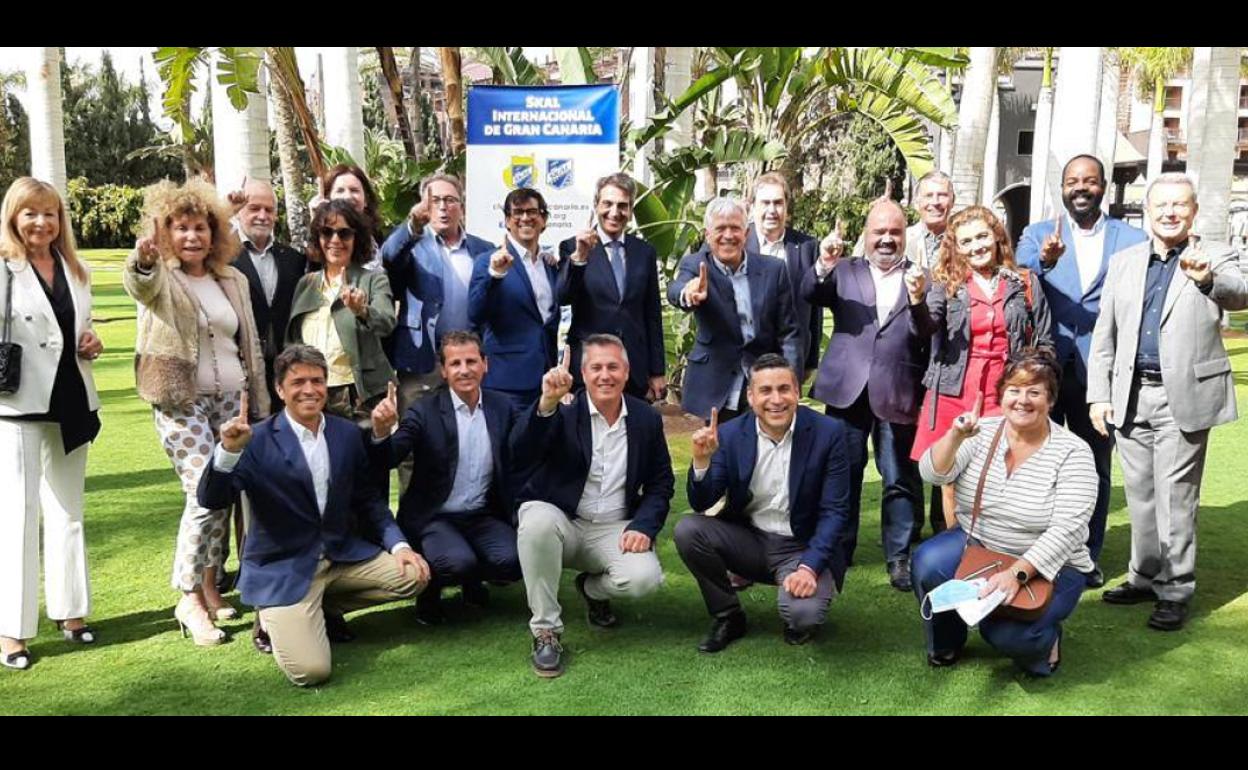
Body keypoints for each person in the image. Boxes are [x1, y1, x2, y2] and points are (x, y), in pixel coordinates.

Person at [197, 345, 429, 687]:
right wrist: (228, 452)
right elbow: (212, 499)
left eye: (317, 381)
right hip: (284, 569)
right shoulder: (255, 440)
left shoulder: (346, 433)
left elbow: (369, 500)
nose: (309, 389)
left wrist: (401, 547)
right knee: (312, 672)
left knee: (414, 576)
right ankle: (269, 617)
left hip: (339, 556)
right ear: (280, 389)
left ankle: (321, 609)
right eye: (298, 382)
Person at [1088, 172, 1248, 631]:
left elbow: (1240, 293)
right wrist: (1099, 395)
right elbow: (1105, 335)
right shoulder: (1124, 262)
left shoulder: (1215, 255)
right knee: (1141, 495)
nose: (1170, 212)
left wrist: (1207, 280)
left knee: (1176, 498)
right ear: (1148, 211)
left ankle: (1175, 589)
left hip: (1185, 396)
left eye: (1179, 204)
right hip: (1131, 395)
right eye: (1161, 204)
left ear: (1193, 212)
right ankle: (1143, 576)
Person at [123, 178, 269, 646]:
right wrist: (144, 260)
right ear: (166, 233)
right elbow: (139, 281)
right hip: (181, 399)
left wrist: (257, 398)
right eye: (181, 228)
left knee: (222, 496)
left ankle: (209, 588)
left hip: (232, 399)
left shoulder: (232, 279)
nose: (191, 236)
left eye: (200, 227)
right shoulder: (162, 277)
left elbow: (248, 343)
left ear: (215, 233)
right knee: (203, 493)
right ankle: (188, 596)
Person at [912, 349, 1096, 677]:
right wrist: (955, 436)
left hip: (1051, 564)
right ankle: (947, 642)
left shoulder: (1074, 452)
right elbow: (933, 474)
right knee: (928, 562)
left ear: (1051, 400)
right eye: (1014, 390)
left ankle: (1044, 643)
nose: (1022, 400)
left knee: (1005, 634)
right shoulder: (980, 431)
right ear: (1001, 395)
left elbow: (1067, 529)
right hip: (979, 545)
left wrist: (1016, 574)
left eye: (1034, 392)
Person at [1015, 154, 1148, 588]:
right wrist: (1046, 261)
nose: (1081, 188)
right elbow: (1019, 276)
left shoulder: (1132, 239)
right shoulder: (1038, 234)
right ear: (1062, 188)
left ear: (1103, 187)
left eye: (1089, 181)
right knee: (1038, 462)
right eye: (1072, 181)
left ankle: (1085, 556)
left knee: (1094, 466)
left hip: (1101, 372)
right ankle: (1036, 551)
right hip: (1047, 369)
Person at [511, 334, 673, 678]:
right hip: (563, 522)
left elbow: (661, 483)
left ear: (626, 372)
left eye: (613, 367)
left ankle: (591, 589)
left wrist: (643, 526)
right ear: (583, 374)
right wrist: (546, 403)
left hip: (614, 528)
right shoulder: (563, 410)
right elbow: (521, 452)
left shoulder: (645, 419)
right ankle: (546, 631)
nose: (605, 375)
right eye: (596, 367)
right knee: (536, 522)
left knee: (644, 579)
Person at [674, 354, 851, 652]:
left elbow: (835, 512)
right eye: (766, 390)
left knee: (803, 615)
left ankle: (797, 605)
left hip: (801, 546)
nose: (776, 400)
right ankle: (728, 615)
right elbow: (701, 500)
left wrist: (809, 568)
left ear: (797, 391)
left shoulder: (829, 433)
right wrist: (702, 461)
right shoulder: (730, 434)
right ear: (751, 396)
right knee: (688, 531)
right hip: (750, 541)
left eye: (784, 389)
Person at [800, 200, 934, 590]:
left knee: (898, 477)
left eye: (895, 232)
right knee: (845, 474)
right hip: (847, 390)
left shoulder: (922, 278)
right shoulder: (844, 270)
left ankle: (899, 558)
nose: (887, 239)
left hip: (898, 388)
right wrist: (824, 263)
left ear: (905, 235)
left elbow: (927, 331)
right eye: (879, 232)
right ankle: (840, 549)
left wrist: (919, 300)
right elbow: (809, 291)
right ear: (866, 234)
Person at [0, 178, 102, 670]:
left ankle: (72, 613)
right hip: (16, 404)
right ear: (13, 217)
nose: (41, 222)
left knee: (68, 511)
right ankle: (12, 631)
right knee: (17, 518)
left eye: (50, 214)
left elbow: (82, 326)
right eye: (30, 213)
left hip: (72, 401)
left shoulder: (75, 270)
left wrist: (92, 340)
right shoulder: (3, 268)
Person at [912, 205, 1053, 532]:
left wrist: (1035, 386)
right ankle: (958, 548)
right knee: (952, 479)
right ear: (956, 248)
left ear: (996, 236)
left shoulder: (1024, 282)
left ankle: (998, 547)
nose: (976, 246)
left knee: (1006, 474)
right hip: (955, 391)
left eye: (982, 236)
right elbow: (926, 327)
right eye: (966, 241)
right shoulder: (945, 284)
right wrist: (916, 299)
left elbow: (1045, 341)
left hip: (1009, 393)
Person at [368, 331, 521, 625]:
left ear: (485, 364)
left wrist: (551, 406)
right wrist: (380, 432)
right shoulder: (423, 410)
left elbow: (527, 445)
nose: (464, 370)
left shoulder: (503, 407)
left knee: (512, 561)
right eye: (455, 363)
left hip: (481, 515)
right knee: (456, 563)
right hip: (434, 517)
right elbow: (389, 457)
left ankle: (473, 582)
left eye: (471, 361)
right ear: (443, 370)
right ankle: (431, 592)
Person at [667, 197, 800, 423]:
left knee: (765, 444)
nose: (728, 235)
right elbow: (676, 289)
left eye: (735, 228)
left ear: (746, 233)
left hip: (762, 381)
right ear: (708, 235)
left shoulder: (774, 270)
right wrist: (687, 293)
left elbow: (789, 332)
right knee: (715, 444)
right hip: (714, 385)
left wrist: (790, 378)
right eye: (720, 229)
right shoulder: (696, 264)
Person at [379, 173, 495, 419]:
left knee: (467, 426)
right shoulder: (412, 244)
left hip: (467, 358)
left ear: (462, 207)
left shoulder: (483, 249)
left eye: (450, 200)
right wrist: (413, 226)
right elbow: (388, 257)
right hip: (423, 359)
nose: (443, 206)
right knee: (416, 427)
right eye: (435, 200)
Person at [557, 173, 667, 401]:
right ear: (596, 205)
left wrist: (657, 371)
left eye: (622, 206)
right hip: (591, 367)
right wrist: (579, 257)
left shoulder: (644, 252)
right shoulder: (573, 247)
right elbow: (563, 296)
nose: (614, 212)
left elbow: (652, 314)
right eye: (607, 204)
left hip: (633, 371)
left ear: (631, 210)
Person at [287, 200, 396, 425]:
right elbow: (293, 341)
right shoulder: (306, 283)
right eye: (327, 232)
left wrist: (362, 310)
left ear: (357, 239)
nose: (335, 240)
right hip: (312, 391)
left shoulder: (373, 279)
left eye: (344, 233)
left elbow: (386, 322)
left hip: (358, 394)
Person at [468, 188, 559, 411]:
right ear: (507, 221)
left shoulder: (550, 265)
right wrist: (495, 275)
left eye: (532, 212)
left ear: (544, 219)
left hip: (546, 380)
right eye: (517, 212)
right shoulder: (487, 262)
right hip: (506, 382)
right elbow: (475, 314)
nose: (525, 218)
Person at [228, 178, 309, 409]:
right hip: (241, 369)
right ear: (238, 212)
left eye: (269, 210)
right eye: (254, 208)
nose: (262, 216)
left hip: (286, 369)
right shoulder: (224, 258)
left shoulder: (293, 259)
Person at [745, 172, 821, 383]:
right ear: (752, 207)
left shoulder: (807, 247)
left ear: (787, 208)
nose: (772, 210)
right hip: (744, 361)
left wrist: (810, 360)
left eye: (778, 203)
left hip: (789, 360)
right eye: (765, 203)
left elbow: (814, 309)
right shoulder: (736, 242)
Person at [316, 163, 384, 270]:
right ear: (328, 199)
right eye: (340, 191)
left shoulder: (378, 237)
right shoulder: (324, 239)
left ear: (366, 200)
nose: (348, 196)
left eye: (354, 190)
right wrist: (317, 221)